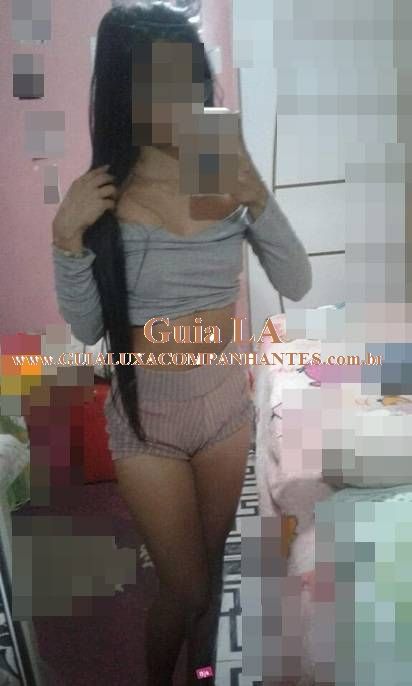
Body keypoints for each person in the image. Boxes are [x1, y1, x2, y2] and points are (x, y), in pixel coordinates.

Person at [51, 3, 312, 685]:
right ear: (123, 90)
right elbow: (88, 327)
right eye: (155, 82)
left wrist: (259, 198)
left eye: (189, 78)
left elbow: (296, 280)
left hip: (223, 410)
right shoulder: (104, 193)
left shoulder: (218, 165)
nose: (180, 99)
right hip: (148, 424)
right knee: (186, 586)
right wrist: (66, 239)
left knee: (210, 564)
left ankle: (201, 672)